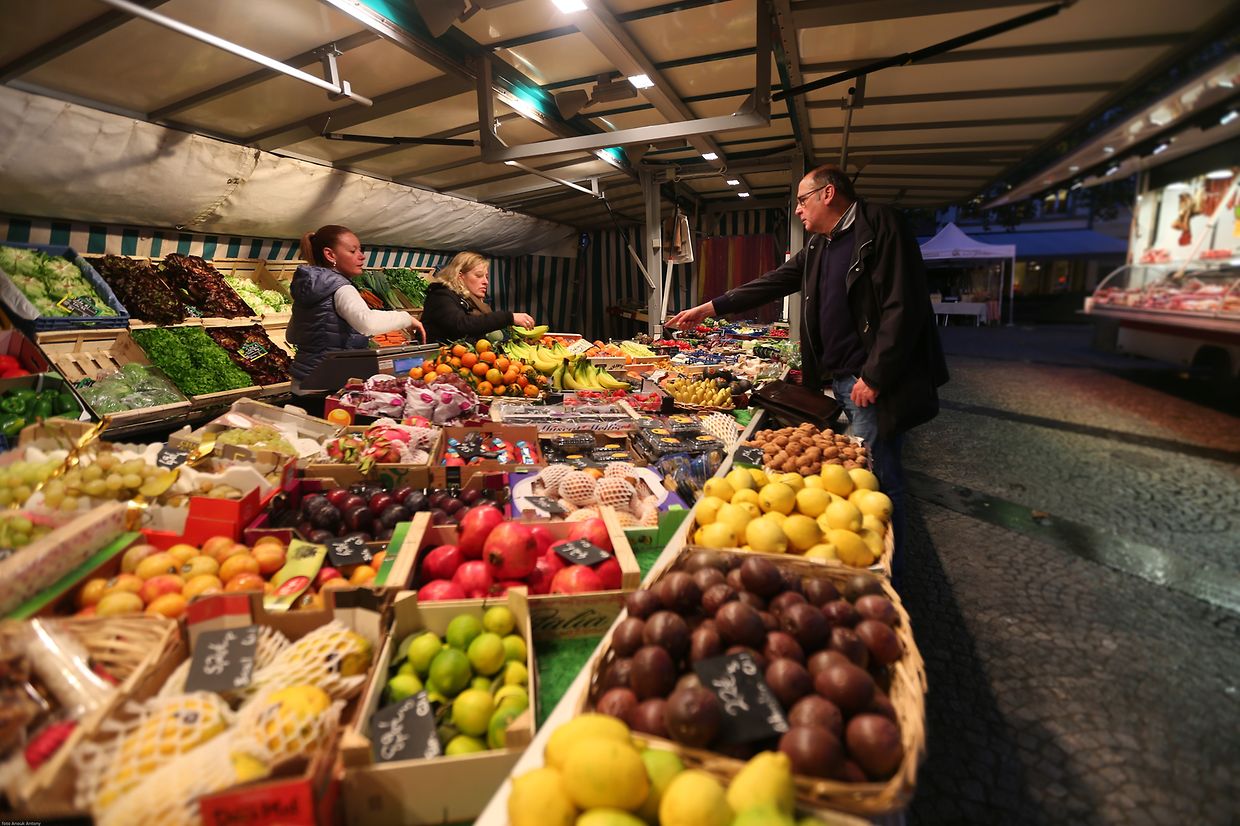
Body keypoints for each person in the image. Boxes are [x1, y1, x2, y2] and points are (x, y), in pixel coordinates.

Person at [667, 164, 948, 586]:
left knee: (876, 481)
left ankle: (885, 581)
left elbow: (901, 305)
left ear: (828, 194)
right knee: (855, 477)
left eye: (801, 199)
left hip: (869, 381)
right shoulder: (821, 245)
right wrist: (710, 308)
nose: (797, 209)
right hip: (840, 378)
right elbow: (774, 282)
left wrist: (875, 374)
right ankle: (852, 568)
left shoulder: (881, 226)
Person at [287, 225, 425, 387]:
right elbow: (367, 323)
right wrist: (406, 318)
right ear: (330, 255)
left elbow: (291, 336)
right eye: (353, 251)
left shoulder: (308, 287)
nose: (362, 257)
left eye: (360, 250)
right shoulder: (341, 287)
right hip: (328, 383)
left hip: (302, 379)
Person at [422, 251, 535, 343]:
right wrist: (508, 317)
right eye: (479, 276)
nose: (486, 282)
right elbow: (462, 325)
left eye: (486, 277)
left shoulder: (472, 301)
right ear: (460, 276)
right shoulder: (441, 296)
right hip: (438, 363)